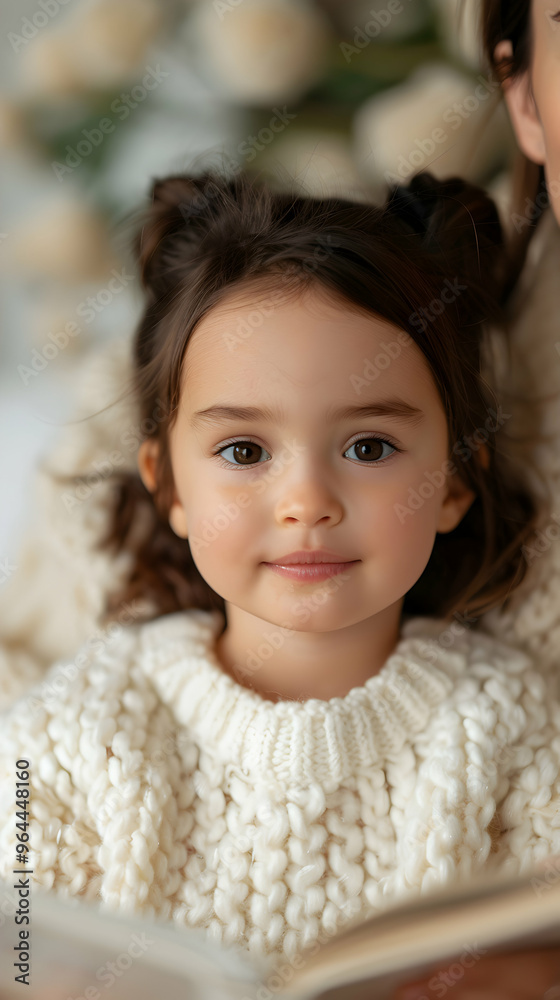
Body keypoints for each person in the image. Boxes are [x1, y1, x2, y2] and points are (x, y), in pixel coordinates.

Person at [1, 168, 560, 979]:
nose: (306, 501)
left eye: (368, 447)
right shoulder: (66, 738)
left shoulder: (513, 727)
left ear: (455, 482)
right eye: (244, 451)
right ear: (168, 486)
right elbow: (19, 955)